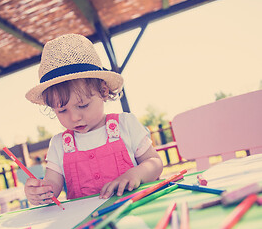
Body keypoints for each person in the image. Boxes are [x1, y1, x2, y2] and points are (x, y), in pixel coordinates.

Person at [24, 34, 163, 205]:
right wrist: (41, 191)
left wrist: (135, 174)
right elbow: (53, 186)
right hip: (85, 224)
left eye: (83, 105)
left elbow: (155, 163)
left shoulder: (126, 125)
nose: (74, 117)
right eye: (62, 110)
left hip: (135, 209)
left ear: (103, 91)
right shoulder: (59, 145)